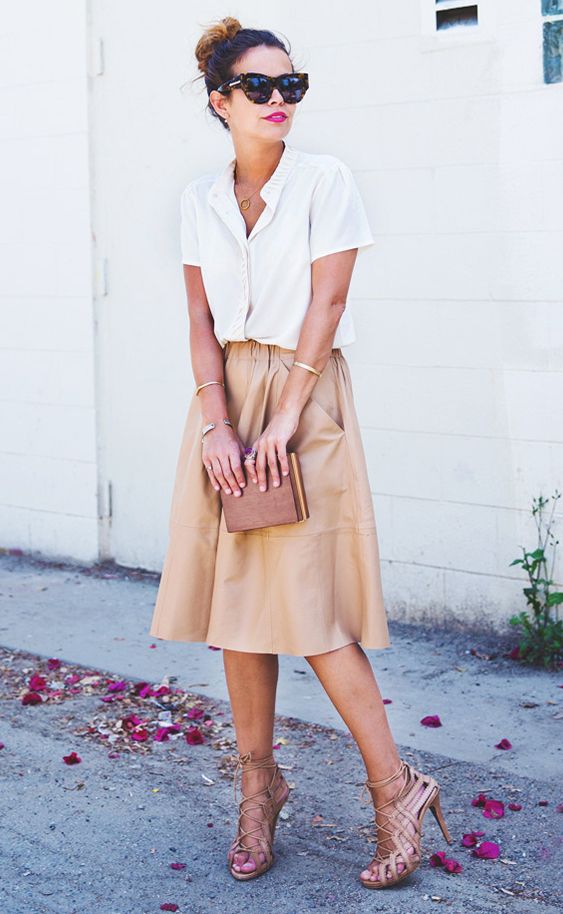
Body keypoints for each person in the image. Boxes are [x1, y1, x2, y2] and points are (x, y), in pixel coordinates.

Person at [149, 15, 452, 889]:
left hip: (304, 395)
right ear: (220, 101)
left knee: (312, 613)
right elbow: (199, 323)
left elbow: (325, 304)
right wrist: (218, 423)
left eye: (292, 86)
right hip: (225, 404)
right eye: (260, 87)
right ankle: (258, 788)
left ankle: (395, 790)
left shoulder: (326, 181)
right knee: (236, 610)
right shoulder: (198, 201)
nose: (279, 101)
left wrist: (282, 419)